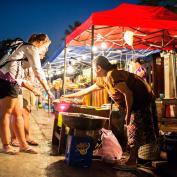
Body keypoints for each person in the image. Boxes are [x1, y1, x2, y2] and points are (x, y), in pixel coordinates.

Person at [62, 56, 159, 166]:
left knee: (134, 129)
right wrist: (68, 96)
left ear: (99, 68)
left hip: (142, 100)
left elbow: (128, 94)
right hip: (135, 102)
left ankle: (134, 159)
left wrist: (127, 114)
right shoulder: (103, 79)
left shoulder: (112, 75)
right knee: (133, 129)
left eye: (94, 69)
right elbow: (87, 90)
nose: (94, 71)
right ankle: (136, 157)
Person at [0, 33, 54, 154]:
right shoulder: (31, 47)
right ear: (40, 43)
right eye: (46, 47)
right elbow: (38, 71)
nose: (45, 50)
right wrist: (48, 90)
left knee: (18, 114)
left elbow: (22, 69)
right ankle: (5, 145)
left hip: (15, 82)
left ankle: (23, 145)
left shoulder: (22, 48)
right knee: (6, 114)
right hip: (7, 79)